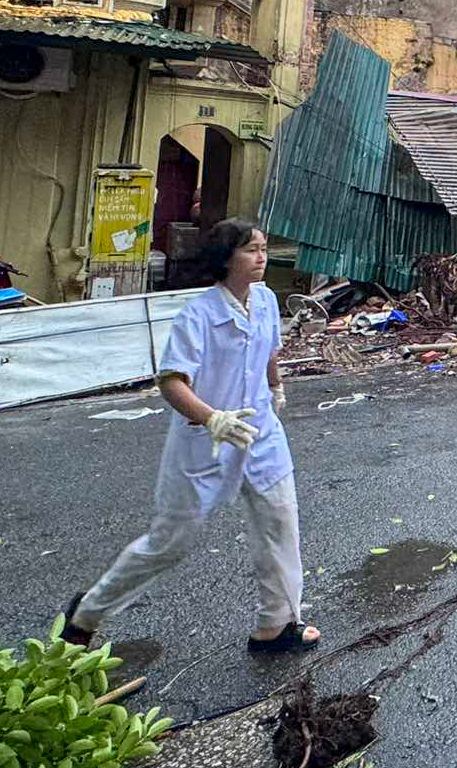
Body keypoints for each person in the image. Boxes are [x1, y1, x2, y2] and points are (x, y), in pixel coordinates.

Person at [62, 218, 319, 654]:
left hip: (261, 433)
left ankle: (276, 624)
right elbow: (172, 381)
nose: (261, 257)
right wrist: (211, 418)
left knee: (280, 522)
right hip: (205, 439)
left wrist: (275, 387)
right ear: (226, 259)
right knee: (170, 542)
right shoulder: (198, 315)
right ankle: (86, 613)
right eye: (251, 250)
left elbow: (269, 349)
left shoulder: (267, 301)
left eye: (262, 248)